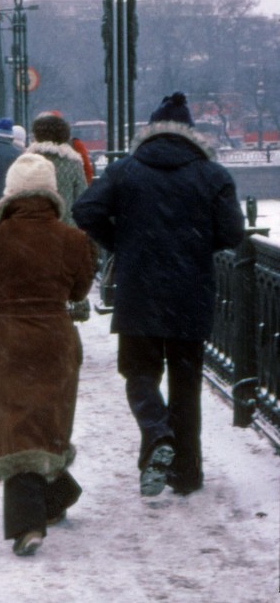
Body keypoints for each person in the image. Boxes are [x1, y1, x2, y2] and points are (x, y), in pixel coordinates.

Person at [73, 92, 244, 497]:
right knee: (186, 383)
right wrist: (196, 245)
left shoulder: (125, 170)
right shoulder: (212, 174)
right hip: (191, 290)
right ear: (191, 134)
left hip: (139, 289)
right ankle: (186, 473)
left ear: (149, 132)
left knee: (139, 373)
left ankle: (156, 432)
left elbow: (85, 211)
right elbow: (233, 234)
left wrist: (122, 241)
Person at [0, 153, 95, 557]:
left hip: (6, 341)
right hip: (55, 340)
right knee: (48, 420)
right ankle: (56, 496)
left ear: (10, 193)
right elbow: (79, 291)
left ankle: (27, 524)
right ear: (52, 193)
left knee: (15, 424)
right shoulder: (72, 238)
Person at [25, 114, 87, 225]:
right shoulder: (73, 163)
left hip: (33, 227)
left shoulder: (27, 161)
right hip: (65, 228)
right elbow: (82, 200)